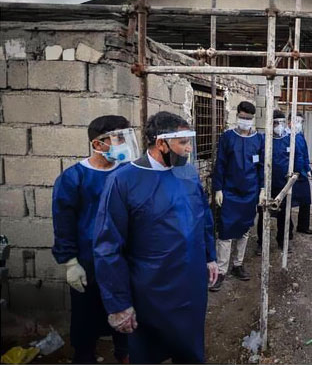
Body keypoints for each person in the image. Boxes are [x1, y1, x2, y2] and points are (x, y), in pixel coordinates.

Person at [93, 111, 219, 364]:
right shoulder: (123, 181)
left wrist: (209, 257)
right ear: (162, 143)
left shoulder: (187, 173)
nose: (189, 148)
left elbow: (202, 216)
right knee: (147, 351)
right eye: (182, 142)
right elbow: (108, 247)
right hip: (151, 288)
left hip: (191, 284)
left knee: (190, 347)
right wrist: (119, 304)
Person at [52, 115, 137, 364]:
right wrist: (70, 262)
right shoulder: (73, 178)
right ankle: (84, 355)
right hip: (88, 261)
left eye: (125, 137)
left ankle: (124, 353)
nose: (123, 143)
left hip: (121, 260)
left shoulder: (126, 173)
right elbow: (63, 222)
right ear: (98, 144)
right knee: (85, 316)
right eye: (118, 138)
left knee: (124, 310)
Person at [211, 101, 264, 291]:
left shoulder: (259, 140)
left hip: (250, 191)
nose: (245, 121)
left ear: (253, 119)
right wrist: (218, 188)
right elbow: (220, 164)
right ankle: (221, 271)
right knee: (225, 230)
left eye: (248, 118)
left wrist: (263, 189)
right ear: (237, 116)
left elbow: (262, 167)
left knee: (244, 228)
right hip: (230, 191)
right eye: (242, 117)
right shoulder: (227, 137)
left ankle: (238, 264)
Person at [256, 110, 307, 254]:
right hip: (268, 182)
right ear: (270, 124)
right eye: (275, 123)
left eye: (281, 122)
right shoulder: (265, 140)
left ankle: (282, 241)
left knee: (284, 213)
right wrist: (261, 184)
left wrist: (295, 174)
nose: (279, 126)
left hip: (284, 183)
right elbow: (260, 162)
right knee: (263, 213)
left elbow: (298, 157)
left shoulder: (290, 139)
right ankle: (261, 242)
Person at [289, 113, 312, 235]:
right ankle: (288, 229)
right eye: (296, 121)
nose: (298, 124)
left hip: (302, 173)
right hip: (290, 174)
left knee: (306, 200)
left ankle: (303, 226)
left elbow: (304, 155)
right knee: (287, 202)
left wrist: (308, 169)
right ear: (289, 122)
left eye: (300, 121)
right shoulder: (286, 136)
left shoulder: (300, 137)